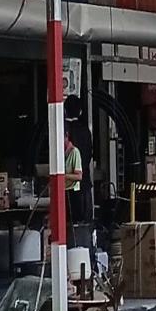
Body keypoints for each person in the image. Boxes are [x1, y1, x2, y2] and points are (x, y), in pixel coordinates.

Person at [63, 95, 94, 224]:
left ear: (64, 111)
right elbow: (89, 154)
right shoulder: (85, 131)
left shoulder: (62, 130)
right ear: (80, 112)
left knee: (68, 223)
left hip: (66, 186)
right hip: (84, 183)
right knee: (84, 223)